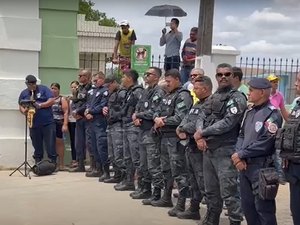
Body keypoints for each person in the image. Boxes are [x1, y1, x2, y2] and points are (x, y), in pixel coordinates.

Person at [194, 63, 247, 225]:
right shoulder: (213, 97)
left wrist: (203, 133)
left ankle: (235, 221)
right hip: (209, 149)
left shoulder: (237, 98)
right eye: (220, 74)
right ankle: (211, 220)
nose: (223, 77)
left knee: (229, 192)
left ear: (233, 76)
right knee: (210, 191)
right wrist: (199, 136)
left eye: (227, 74)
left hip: (226, 149)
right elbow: (201, 116)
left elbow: (228, 122)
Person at [232, 78, 282, 225]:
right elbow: (241, 135)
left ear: (261, 93)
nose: (248, 93)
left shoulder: (272, 114)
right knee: (248, 208)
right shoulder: (250, 111)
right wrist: (238, 156)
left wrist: (241, 154)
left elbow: (266, 142)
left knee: (264, 210)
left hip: (261, 168)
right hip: (244, 166)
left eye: (252, 90)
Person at [151, 69, 193, 218]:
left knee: (179, 172)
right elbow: (156, 110)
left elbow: (181, 117)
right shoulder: (167, 95)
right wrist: (157, 118)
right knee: (166, 169)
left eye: (169, 81)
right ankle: (166, 198)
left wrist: (163, 121)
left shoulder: (183, 95)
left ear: (177, 79)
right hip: (164, 137)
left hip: (175, 139)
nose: (166, 84)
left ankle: (181, 204)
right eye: (166, 81)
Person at [176, 76, 213, 220]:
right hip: (190, 147)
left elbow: (198, 124)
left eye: (196, 88)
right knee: (193, 181)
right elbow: (186, 118)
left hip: (201, 150)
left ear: (205, 89)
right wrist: (180, 128)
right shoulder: (197, 104)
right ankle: (193, 208)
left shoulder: (210, 104)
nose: (194, 91)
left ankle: (210, 215)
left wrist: (183, 128)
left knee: (203, 182)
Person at [130, 67, 165, 200]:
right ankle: (144, 189)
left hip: (151, 132)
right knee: (143, 164)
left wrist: (138, 115)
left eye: (149, 74)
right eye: (145, 74)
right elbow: (139, 106)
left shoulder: (158, 92)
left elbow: (154, 112)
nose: (146, 76)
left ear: (156, 77)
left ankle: (156, 193)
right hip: (142, 130)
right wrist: (137, 117)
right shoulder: (146, 91)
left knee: (153, 164)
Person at [114, 69, 144, 191]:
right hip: (126, 125)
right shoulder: (129, 92)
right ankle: (129, 181)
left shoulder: (138, 91)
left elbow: (142, 105)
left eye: (123, 77)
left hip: (133, 127)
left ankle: (142, 186)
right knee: (127, 157)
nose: (121, 80)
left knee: (135, 157)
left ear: (130, 78)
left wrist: (138, 115)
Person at [277, 71, 300, 225]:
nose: (295, 84)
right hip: (294, 163)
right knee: (296, 208)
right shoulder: (297, 103)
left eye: (299, 81)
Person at [18, 75, 57, 164]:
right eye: (31, 84)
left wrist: (40, 105)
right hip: (34, 123)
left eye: (34, 83)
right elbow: (20, 105)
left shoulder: (44, 89)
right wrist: (24, 111)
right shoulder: (24, 93)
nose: (33, 85)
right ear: (27, 84)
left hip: (47, 122)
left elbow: (52, 100)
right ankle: (38, 162)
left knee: (50, 144)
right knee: (36, 144)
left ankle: (53, 163)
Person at [85, 72, 110, 182]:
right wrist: (87, 111)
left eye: (96, 80)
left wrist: (91, 111)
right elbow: (88, 103)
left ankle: (105, 171)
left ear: (102, 79)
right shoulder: (92, 91)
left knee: (101, 146)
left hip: (100, 121)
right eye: (93, 81)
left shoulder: (105, 91)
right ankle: (98, 168)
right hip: (91, 121)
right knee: (93, 146)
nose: (94, 83)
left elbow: (103, 105)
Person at [103, 76, 127, 183]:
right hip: (111, 124)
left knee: (119, 153)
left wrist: (114, 115)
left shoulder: (122, 93)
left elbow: (125, 110)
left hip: (118, 125)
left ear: (114, 83)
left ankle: (124, 177)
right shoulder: (113, 93)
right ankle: (117, 175)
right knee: (111, 154)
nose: (107, 88)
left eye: (109, 86)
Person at [69, 70, 93, 172]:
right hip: (79, 119)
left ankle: (94, 165)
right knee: (78, 143)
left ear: (87, 76)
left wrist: (78, 111)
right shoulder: (80, 88)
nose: (79, 77)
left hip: (87, 119)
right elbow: (75, 100)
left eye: (81, 75)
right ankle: (80, 165)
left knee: (90, 143)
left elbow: (88, 103)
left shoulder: (92, 88)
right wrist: (75, 112)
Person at [267, 74, 288, 184]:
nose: (275, 83)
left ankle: (280, 176)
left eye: (276, 81)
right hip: (266, 127)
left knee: (277, 151)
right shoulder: (265, 95)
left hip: (276, 126)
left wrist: (290, 123)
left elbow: (283, 110)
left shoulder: (279, 96)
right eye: (273, 81)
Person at [50, 83, 69, 171]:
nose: (53, 90)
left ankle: (61, 164)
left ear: (59, 90)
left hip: (59, 123)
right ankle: (53, 164)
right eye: (52, 88)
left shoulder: (62, 99)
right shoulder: (48, 99)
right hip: (50, 123)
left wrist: (65, 124)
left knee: (59, 143)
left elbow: (66, 112)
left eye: (55, 89)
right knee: (50, 143)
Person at [67, 80, 79, 168]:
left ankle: (79, 160)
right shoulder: (69, 98)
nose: (73, 89)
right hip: (71, 121)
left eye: (75, 87)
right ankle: (74, 159)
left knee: (78, 141)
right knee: (72, 141)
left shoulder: (79, 97)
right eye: (72, 87)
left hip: (78, 121)